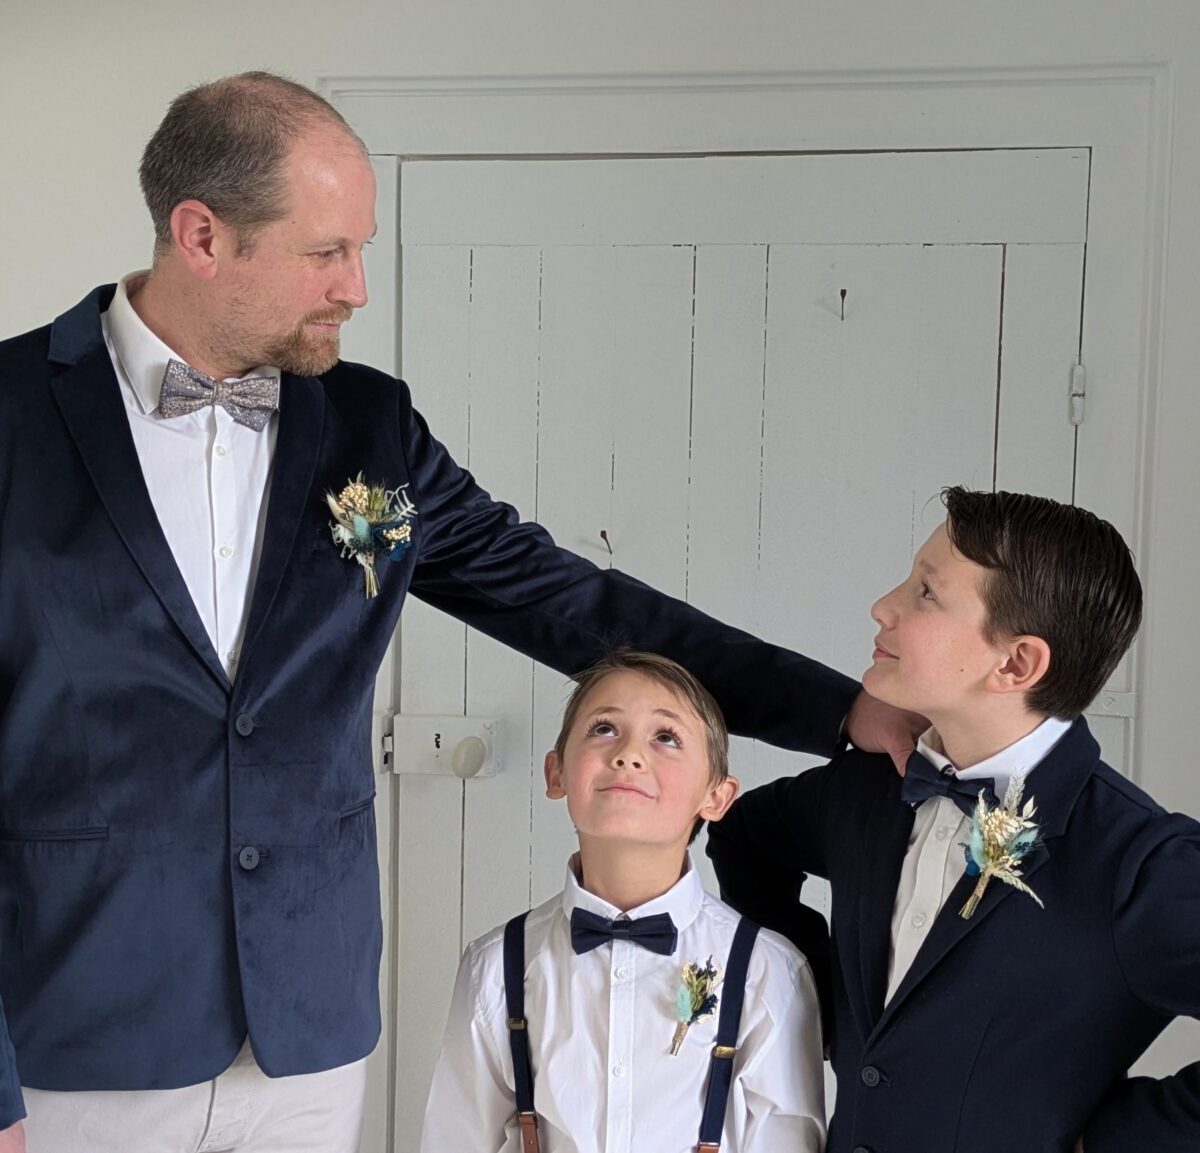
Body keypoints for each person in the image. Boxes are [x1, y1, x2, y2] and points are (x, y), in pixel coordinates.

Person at [0, 72, 918, 1153]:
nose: (356, 287)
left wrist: (843, 711)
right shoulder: (14, 417)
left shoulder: (367, 424)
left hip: (309, 1026)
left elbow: (569, 601)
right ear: (201, 236)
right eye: (324, 252)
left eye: (362, 247)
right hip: (70, 1038)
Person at [708, 487, 1200, 1153]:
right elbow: (744, 838)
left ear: (1018, 662)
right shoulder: (864, 788)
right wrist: (818, 995)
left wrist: (1118, 1139)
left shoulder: (1142, 860)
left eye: (925, 593)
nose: (883, 606)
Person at [421, 650, 825, 1153]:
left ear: (717, 797)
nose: (629, 754)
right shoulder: (496, 966)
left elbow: (786, 1141)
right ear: (556, 774)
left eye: (666, 737)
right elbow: (457, 1138)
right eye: (604, 728)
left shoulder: (768, 970)